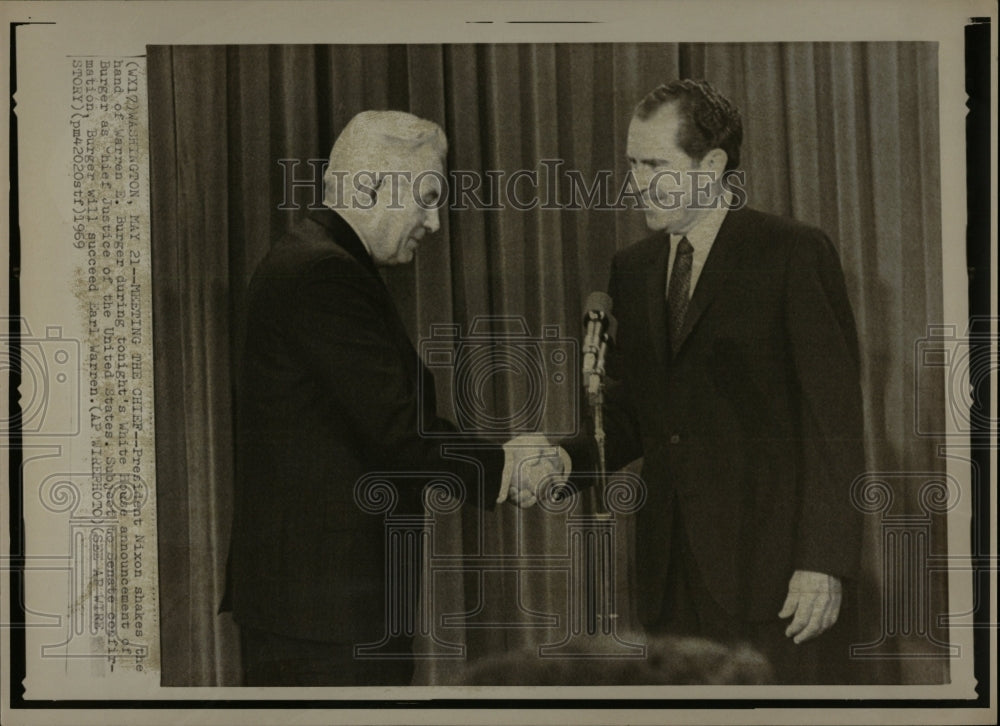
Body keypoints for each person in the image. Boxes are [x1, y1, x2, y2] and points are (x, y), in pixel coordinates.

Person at [222, 110, 560, 686]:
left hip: (318, 608)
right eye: (427, 198)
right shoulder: (323, 274)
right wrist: (504, 466)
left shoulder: (317, 259)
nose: (433, 221)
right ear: (367, 186)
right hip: (325, 617)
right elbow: (401, 432)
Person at [554, 80, 866, 684]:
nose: (636, 182)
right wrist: (559, 459)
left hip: (772, 577)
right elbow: (629, 421)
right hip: (667, 576)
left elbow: (834, 422)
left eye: (655, 164)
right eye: (631, 164)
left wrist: (823, 563)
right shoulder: (633, 268)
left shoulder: (791, 253)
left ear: (713, 165)